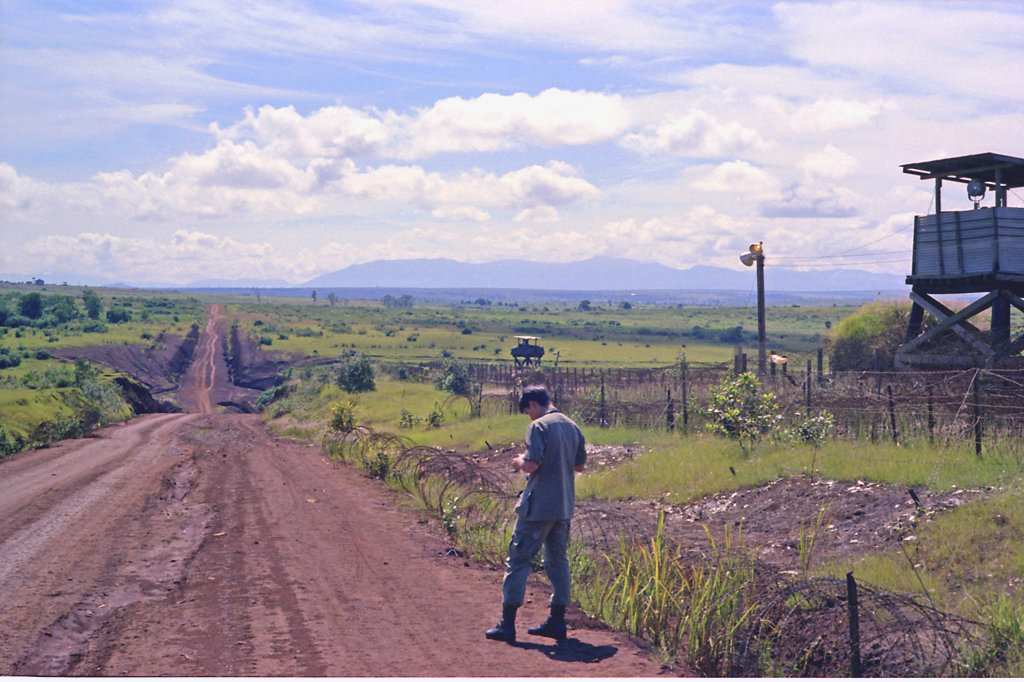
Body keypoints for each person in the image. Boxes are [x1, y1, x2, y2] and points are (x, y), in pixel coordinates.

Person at [485, 385, 587, 643]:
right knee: (558, 561)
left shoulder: (538, 426)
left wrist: (518, 462)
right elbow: (579, 466)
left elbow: (531, 465)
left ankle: (507, 624)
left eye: (527, 411)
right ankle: (557, 621)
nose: (528, 417)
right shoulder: (572, 425)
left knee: (519, 560)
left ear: (531, 404)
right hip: (563, 506)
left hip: (538, 506)